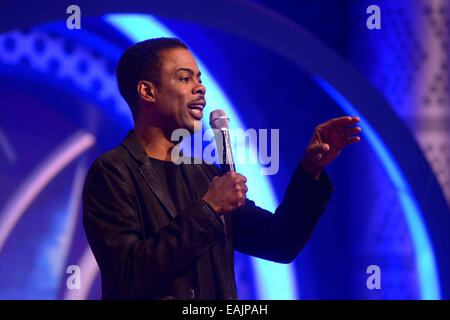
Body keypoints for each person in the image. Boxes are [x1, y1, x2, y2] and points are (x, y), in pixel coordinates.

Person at [82, 38, 361, 300]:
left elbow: (280, 242)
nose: (200, 87)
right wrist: (208, 209)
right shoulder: (113, 172)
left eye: (200, 79)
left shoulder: (205, 176)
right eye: (185, 78)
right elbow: (127, 275)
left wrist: (310, 168)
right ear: (147, 91)